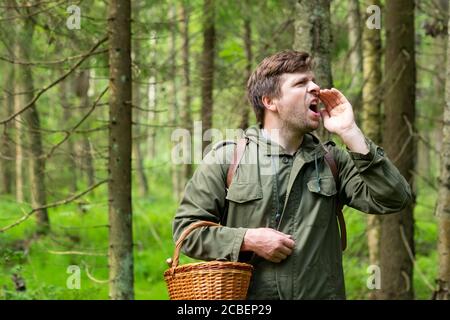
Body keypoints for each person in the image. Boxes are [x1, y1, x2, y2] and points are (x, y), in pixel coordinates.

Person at [172, 50, 412, 299]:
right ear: (270, 101)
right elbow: (186, 232)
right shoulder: (227, 159)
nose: (316, 88)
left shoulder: (332, 160)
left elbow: (395, 198)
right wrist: (247, 239)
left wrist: (350, 132)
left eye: (313, 80)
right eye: (301, 83)